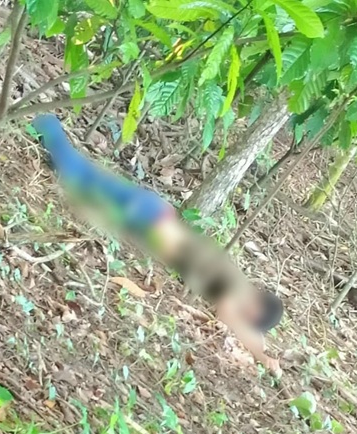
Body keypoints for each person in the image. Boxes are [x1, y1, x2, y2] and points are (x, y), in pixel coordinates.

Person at [31, 114, 284, 376]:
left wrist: (262, 349)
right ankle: (47, 126)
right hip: (149, 219)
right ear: (256, 309)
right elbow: (227, 314)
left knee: (85, 176)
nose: (247, 320)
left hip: (154, 214)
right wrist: (260, 354)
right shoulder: (235, 287)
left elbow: (246, 329)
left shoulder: (236, 279)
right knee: (77, 178)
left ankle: (48, 129)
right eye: (252, 319)